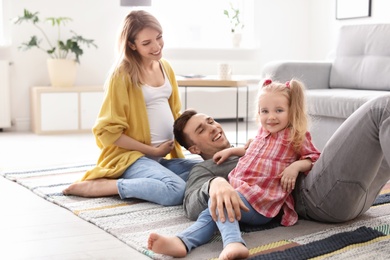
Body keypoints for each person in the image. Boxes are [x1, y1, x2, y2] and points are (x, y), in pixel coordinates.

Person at [147, 79, 321, 259]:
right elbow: (251, 150)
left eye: (279, 110)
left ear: (291, 110)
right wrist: (226, 162)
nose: (271, 117)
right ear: (194, 150)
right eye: (264, 111)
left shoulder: (295, 135)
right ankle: (183, 242)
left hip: (262, 201)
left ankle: (233, 242)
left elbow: (314, 157)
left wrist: (296, 166)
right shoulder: (261, 134)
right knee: (213, 207)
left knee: (221, 203)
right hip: (244, 193)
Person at [173, 82, 390, 225]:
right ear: (194, 149)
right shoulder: (204, 169)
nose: (213, 127)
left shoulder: (256, 142)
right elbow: (191, 205)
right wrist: (215, 184)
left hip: (363, 198)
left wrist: (241, 149)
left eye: (210, 120)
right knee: (382, 108)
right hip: (315, 196)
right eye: (201, 129)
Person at [62, 10, 199, 206]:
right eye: (146, 43)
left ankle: (152, 181)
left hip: (164, 157)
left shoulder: (165, 67)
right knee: (176, 191)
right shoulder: (122, 75)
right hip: (133, 158)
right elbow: (107, 132)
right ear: (132, 45)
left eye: (159, 38)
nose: (156, 46)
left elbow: (175, 113)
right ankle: (104, 186)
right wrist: (151, 150)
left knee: (208, 171)